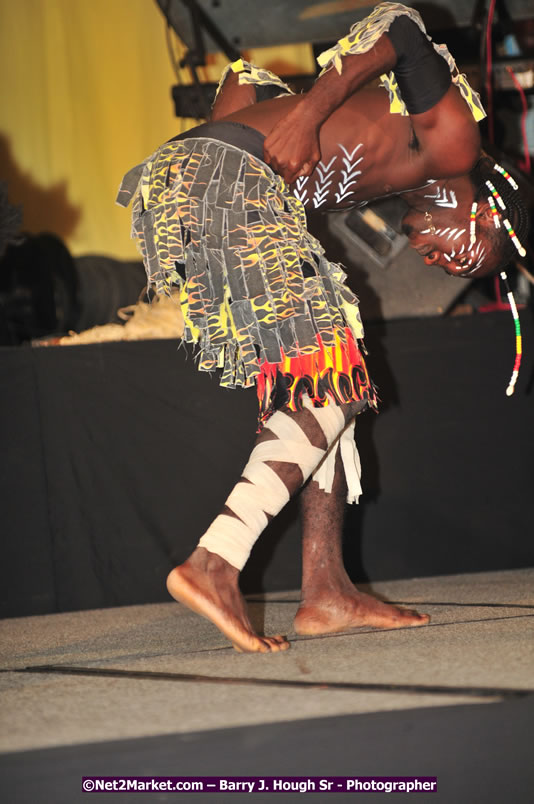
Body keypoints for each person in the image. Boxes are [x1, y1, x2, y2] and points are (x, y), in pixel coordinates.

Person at [117, 3, 529, 653]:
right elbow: (400, 26)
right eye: (467, 254)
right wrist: (307, 116)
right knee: (333, 385)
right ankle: (217, 561)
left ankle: (327, 589)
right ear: (483, 210)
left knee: (323, 382)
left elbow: (242, 80)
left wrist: (278, 122)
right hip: (226, 183)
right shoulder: (456, 143)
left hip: (197, 183)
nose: (445, 263)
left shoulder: (384, 150)